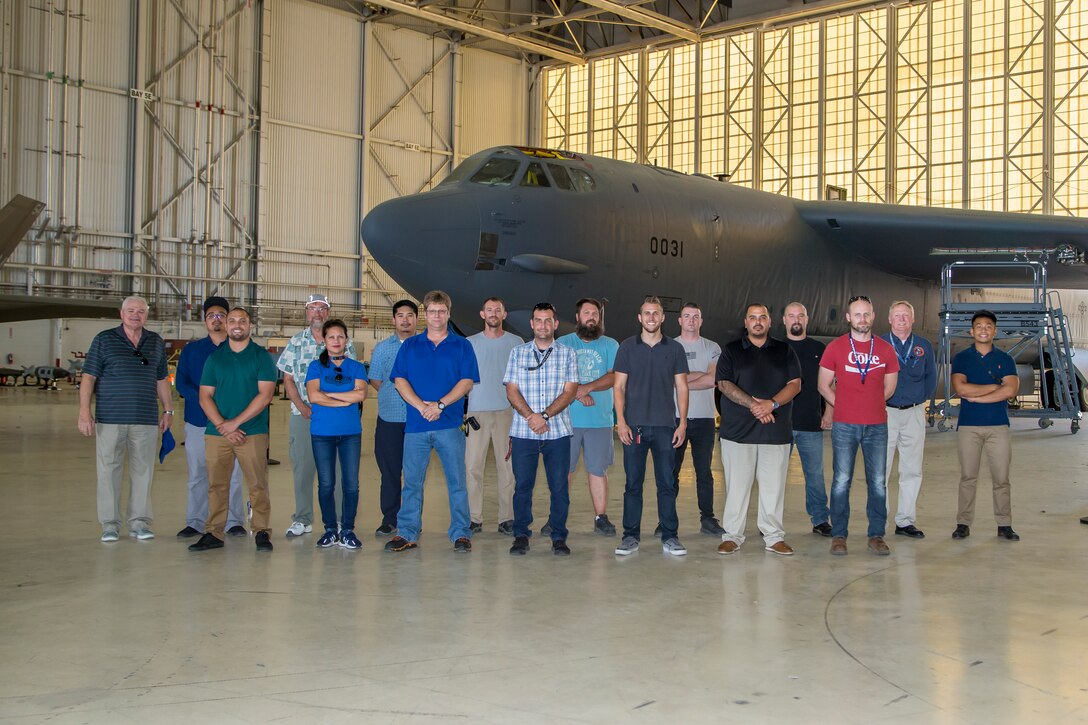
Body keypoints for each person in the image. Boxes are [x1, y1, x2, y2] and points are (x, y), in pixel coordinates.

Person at [384, 290, 480, 553]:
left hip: (449, 425)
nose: (437, 316)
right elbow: (400, 379)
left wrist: (439, 405)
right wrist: (420, 406)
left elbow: (466, 382)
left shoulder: (462, 345)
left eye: (442, 311)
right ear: (425, 314)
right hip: (416, 426)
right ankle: (407, 532)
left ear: (448, 313)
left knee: (457, 482)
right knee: (412, 482)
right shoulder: (411, 346)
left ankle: (461, 532)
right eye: (432, 311)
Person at [78, 296, 173, 542]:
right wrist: (84, 412)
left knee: (143, 471)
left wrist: (168, 410)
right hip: (110, 418)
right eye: (131, 310)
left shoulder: (154, 342)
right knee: (108, 471)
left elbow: (161, 379)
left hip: (145, 419)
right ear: (121, 314)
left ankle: (139, 523)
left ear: (146, 316)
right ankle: (109, 525)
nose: (136, 315)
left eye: (141, 311)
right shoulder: (104, 340)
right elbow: (88, 377)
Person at [189, 307, 278, 552]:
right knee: (216, 485)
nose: (237, 324)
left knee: (257, 484)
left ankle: (261, 530)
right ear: (226, 326)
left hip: (253, 432)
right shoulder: (215, 359)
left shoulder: (261, 357)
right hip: (217, 434)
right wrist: (223, 426)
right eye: (232, 321)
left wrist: (234, 424)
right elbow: (204, 396)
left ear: (250, 325)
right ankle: (214, 533)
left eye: (242, 320)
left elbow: (266, 394)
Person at [715, 303, 801, 556]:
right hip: (737, 434)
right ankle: (732, 536)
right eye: (753, 317)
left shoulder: (785, 350)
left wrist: (771, 404)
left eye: (762, 317)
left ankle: (773, 537)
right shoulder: (731, 351)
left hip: (775, 434)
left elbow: (795, 384)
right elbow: (724, 384)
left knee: (774, 488)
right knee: (737, 488)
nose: (757, 321)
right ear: (746, 322)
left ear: (770, 321)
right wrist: (755, 405)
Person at [818, 295, 900, 556]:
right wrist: (841, 405)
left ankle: (876, 535)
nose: (862, 319)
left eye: (866, 314)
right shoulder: (836, 348)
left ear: (873, 316)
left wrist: (870, 404)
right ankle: (839, 535)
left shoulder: (886, 349)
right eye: (857, 314)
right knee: (841, 480)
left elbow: (889, 388)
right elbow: (823, 384)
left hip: (877, 425)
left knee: (877, 482)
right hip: (845, 425)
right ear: (848, 318)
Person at [613, 296, 690, 556]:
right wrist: (621, 422)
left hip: (665, 427)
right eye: (646, 313)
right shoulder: (627, 347)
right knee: (633, 484)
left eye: (656, 313)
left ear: (662, 317)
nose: (651, 318)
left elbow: (682, 387)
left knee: (666, 483)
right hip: (633, 427)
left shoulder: (675, 349)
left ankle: (670, 536)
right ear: (639, 317)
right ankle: (630, 537)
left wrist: (682, 424)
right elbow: (619, 387)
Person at [277, 293, 357, 538]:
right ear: (306, 313)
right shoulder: (296, 342)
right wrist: (301, 406)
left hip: (336, 417)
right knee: (303, 468)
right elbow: (287, 378)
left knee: (338, 471)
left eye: (322, 308)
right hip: (303, 415)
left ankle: (341, 521)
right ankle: (303, 518)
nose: (318, 313)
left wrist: (331, 404)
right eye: (313, 308)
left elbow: (352, 379)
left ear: (328, 313)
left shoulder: (343, 342)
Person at [503, 303, 579, 556]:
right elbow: (511, 390)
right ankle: (521, 534)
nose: (543, 325)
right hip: (524, 433)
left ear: (555, 324)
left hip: (557, 433)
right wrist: (531, 417)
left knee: (559, 487)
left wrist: (544, 415)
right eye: (538, 320)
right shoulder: (518, 353)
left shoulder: (568, 354)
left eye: (548, 320)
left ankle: (558, 536)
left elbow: (569, 392)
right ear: (532, 324)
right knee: (522, 486)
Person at [174, 297, 247, 539]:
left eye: (221, 315)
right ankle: (195, 521)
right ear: (204, 321)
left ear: (228, 320)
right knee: (198, 473)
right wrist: (204, 400)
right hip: (199, 422)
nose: (216, 319)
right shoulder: (192, 351)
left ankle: (234, 521)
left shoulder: (241, 348)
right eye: (211, 315)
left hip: (232, 423)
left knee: (233, 474)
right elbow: (182, 382)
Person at [951, 310, 1020, 541]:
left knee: (1001, 478)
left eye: (988, 325)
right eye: (978, 325)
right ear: (972, 331)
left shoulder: (1005, 359)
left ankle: (1004, 524)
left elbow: (1010, 390)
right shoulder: (961, 358)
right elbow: (961, 389)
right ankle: (963, 523)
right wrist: (994, 387)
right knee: (968, 477)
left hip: (998, 426)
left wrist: (978, 396)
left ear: (994, 331)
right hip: (969, 427)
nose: (983, 329)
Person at [556, 298, 620, 536]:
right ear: (577, 317)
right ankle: (556, 517)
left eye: (595, 313)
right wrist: (577, 393)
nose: (591, 317)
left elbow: (614, 377)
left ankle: (600, 517)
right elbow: (556, 378)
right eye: (586, 313)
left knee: (598, 470)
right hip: (565, 421)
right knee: (564, 471)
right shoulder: (563, 343)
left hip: (600, 421)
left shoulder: (610, 345)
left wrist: (586, 388)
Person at [306, 319, 368, 550]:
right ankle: (331, 529)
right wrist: (346, 396)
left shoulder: (356, 367)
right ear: (324, 340)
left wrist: (328, 395)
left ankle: (348, 530)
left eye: (340, 337)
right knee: (326, 484)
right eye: (331, 337)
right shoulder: (315, 367)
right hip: (322, 433)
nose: (336, 341)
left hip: (350, 433)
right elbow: (314, 397)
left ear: (346, 340)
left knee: (351, 484)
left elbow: (361, 396)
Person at [465, 297, 522, 534]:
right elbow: (462, 378)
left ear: (504, 315)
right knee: (472, 467)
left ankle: (506, 518)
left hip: (506, 412)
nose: (493, 313)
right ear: (482, 314)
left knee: (506, 467)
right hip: (476, 413)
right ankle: (473, 517)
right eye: (489, 309)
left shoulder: (516, 343)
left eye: (498, 310)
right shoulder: (469, 343)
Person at [882, 301, 937, 539]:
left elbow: (931, 379)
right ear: (889, 319)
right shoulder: (879, 344)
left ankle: (905, 521)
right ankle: (878, 520)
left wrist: (917, 401)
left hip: (914, 412)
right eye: (897, 315)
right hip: (884, 412)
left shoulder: (923, 346)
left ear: (913, 320)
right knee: (879, 470)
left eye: (906, 315)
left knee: (912, 469)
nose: (902, 319)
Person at [670, 302, 724, 536]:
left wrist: (680, 381)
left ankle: (708, 518)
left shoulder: (712, 347)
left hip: (703, 419)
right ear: (680, 320)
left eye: (696, 317)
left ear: (701, 321)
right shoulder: (669, 347)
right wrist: (696, 377)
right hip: (674, 419)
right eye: (687, 316)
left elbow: (712, 380)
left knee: (704, 472)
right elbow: (663, 379)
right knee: (670, 472)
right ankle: (666, 519)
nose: (691, 320)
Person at [367, 299, 417, 536]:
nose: (405, 320)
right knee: (390, 472)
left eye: (410, 315)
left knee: (414, 473)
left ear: (417, 319)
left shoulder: (424, 346)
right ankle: (390, 518)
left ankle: (411, 519)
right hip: (389, 419)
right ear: (393, 320)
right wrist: (392, 396)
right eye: (400, 315)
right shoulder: (383, 348)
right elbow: (375, 379)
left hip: (418, 420)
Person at [784, 302, 833, 536]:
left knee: (814, 476)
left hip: (811, 424)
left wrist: (829, 411)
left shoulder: (819, 348)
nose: (796, 319)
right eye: (791, 315)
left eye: (800, 315)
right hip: (779, 425)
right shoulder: (775, 348)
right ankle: (769, 520)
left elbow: (830, 383)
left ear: (806, 319)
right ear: (783, 320)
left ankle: (820, 519)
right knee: (773, 477)